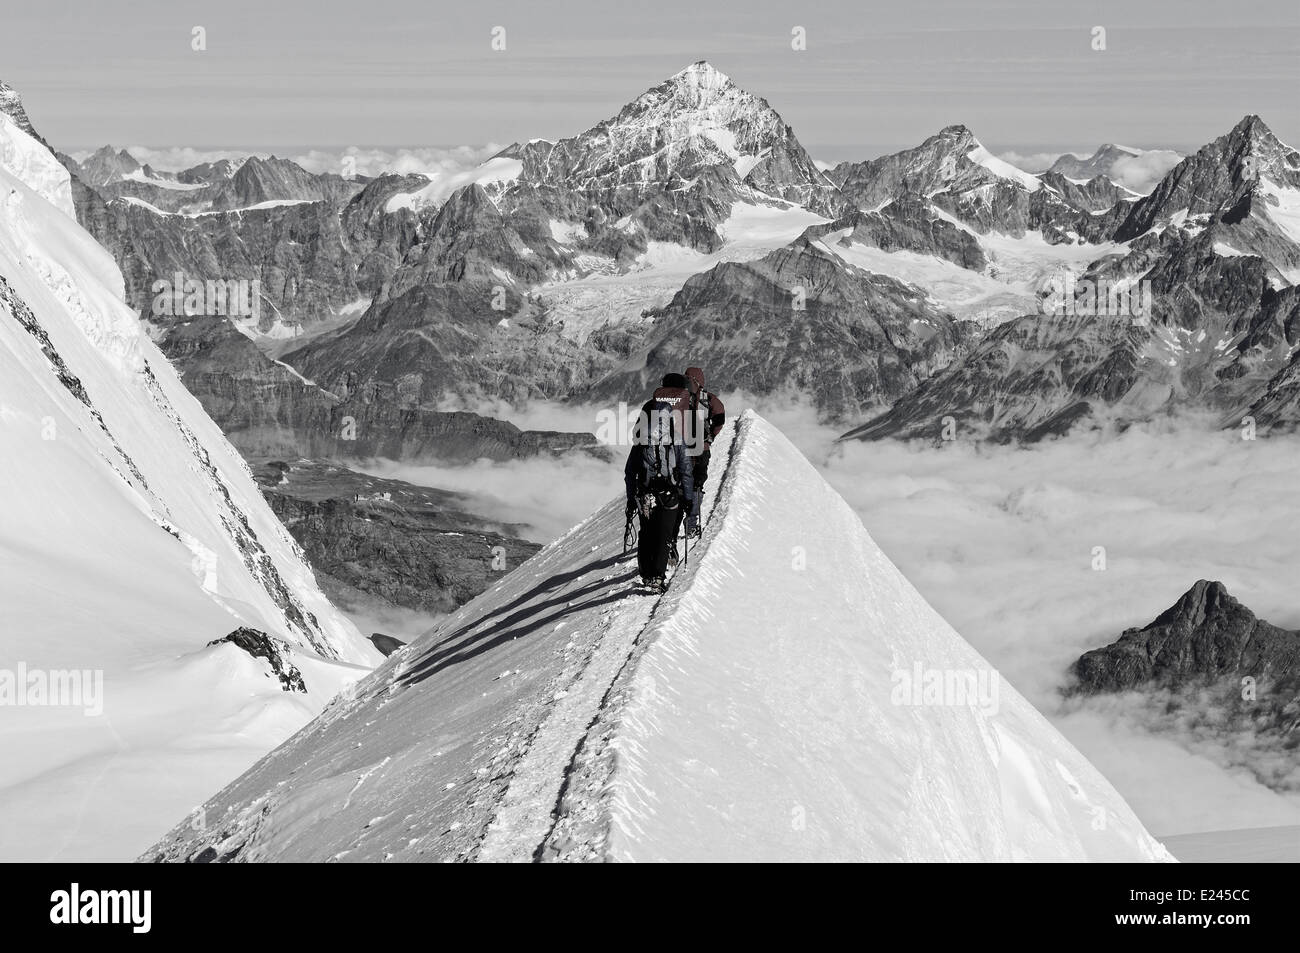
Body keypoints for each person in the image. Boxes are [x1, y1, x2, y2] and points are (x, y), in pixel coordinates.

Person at [624, 373, 696, 592]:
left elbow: (629, 470)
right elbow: (685, 470)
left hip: (645, 492)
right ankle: (657, 578)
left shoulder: (641, 441)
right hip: (669, 492)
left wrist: (630, 497)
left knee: (646, 533)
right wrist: (689, 499)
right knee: (664, 536)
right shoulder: (677, 439)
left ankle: (646, 574)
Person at [683, 366, 725, 534]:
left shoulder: (679, 399)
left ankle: (673, 523)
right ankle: (691, 523)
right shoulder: (708, 399)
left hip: (681, 449)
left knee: (680, 483)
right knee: (697, 484)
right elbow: (720, 418)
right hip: (701, 448)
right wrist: (711, 437)